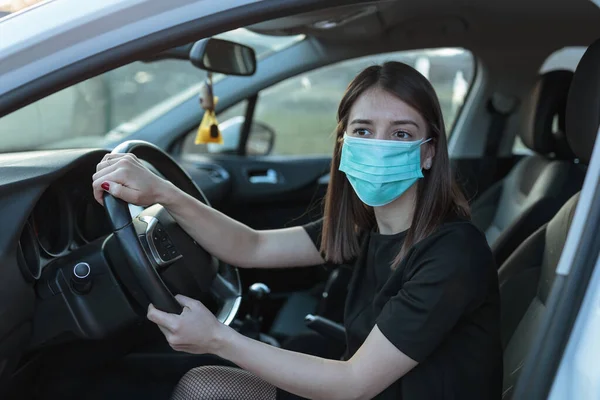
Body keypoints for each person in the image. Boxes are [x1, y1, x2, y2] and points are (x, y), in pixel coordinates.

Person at [92, 62, 503, 400]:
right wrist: (165, 193)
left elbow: (354, 383)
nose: (379, 145)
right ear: (344, 143)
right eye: (363, 131)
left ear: (428, 152)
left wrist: (218, 339)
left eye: (401, 134)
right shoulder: (367, 224)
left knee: (202, 386)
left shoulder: (453, 253)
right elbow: (250, 247)